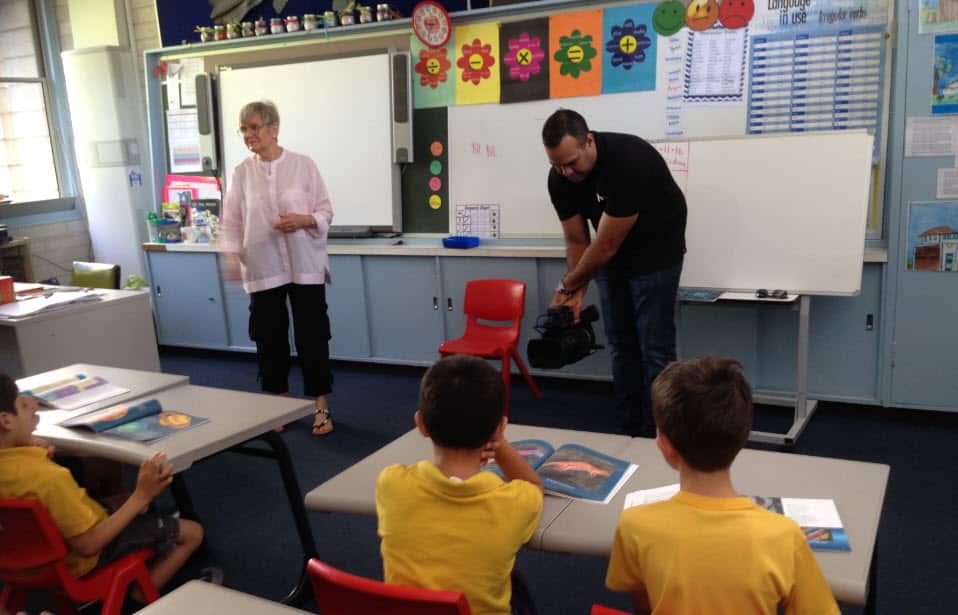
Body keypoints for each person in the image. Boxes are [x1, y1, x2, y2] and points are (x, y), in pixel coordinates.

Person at [605, 356, 840, 614]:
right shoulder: (784, 536)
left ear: (664, 445)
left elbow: (643, 602)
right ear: (742, 435)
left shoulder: (634, 526)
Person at [542, 109, 687, 437]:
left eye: (572, 162)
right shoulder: (560, 179)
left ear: (589, 141)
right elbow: (578, 239)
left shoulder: (627, 160)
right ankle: (628, 427)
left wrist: (567, 285)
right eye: (556, 165)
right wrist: (574, 293)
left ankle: (662, 433)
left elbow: (605, 245)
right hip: (610, 259)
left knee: (655, 347)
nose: (565, 172)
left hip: (656, 255)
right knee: (621, 344)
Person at [0, 374, 204, 599]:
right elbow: (88, 545)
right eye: (22, 402)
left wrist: (32, 451)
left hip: (18, 561)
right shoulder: (48, 478)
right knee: (193, 532)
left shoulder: (24, 469)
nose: (33, 403)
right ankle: (139, 596)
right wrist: (141, 496)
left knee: (121, 499)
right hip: (80, 562)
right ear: (6, 421)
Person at [375, 355, 544, 615]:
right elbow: (533, 487)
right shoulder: (515, 503)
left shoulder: (390, 483)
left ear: (421, 424)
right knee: (515, 584)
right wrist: (499, 446)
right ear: (500, 426)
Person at [220, 100, 335, 435]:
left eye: (254, 127)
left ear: (274, 128)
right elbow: (230, 220)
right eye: (243, 129)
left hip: (305, 264)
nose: (248, 135)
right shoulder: (242, 172)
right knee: (269, 338)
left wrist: (305, 219)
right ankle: (279, 406)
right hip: (262, 266)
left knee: (313, 336)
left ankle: (320, 408)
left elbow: (325, 211)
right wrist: (229, 253)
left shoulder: (303, 166)